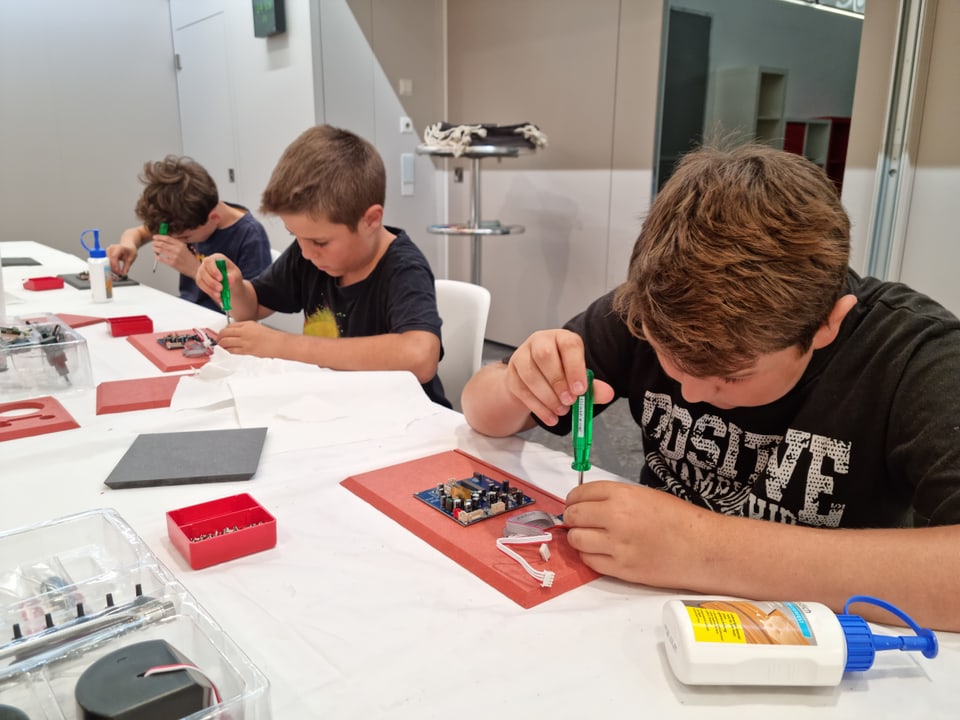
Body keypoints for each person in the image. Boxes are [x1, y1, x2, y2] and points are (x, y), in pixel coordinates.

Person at [461, 143, 960, 632]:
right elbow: (481, 413)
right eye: (669, 361)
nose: (692, 394)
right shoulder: (650, 309)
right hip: (649, 622)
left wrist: (703, 548)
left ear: (826, 326)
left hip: (819, 647)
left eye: (732, 376)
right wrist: (517, 381)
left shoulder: (914, 354)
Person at [195, 124, 450, 408]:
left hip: (404, 418)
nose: (305, 252)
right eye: (295, 237)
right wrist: (235, 287)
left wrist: (282, 345)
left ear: (371, 220)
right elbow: (251, 307)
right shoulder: (309, 256)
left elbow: (420, 356)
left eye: (320, 241)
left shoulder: (403, 268)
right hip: (333, 408)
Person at [107, 156, 272, 313]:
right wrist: (129, 245)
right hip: (188, 310)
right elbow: (137, 233)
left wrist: (194, 269)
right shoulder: (182, 217)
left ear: (213, 218)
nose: (177, 241)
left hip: (221, 321)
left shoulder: (250, 236)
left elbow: (248, 310)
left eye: (185, 238)